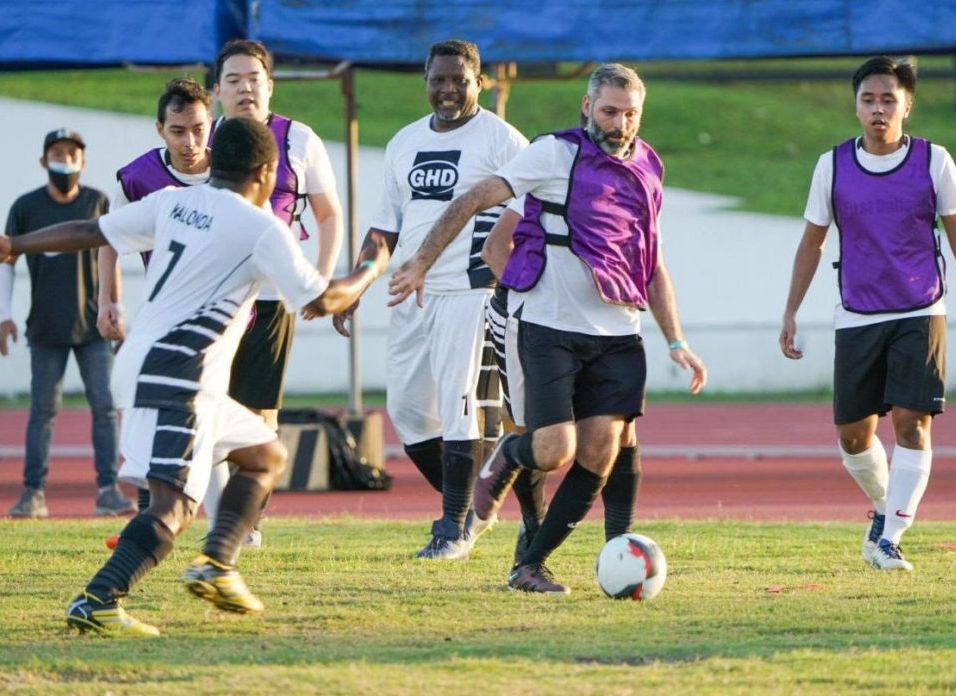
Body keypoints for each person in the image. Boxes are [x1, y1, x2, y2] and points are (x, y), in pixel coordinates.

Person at [0, 118, 372, 637]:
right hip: (180, 375)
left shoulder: (173, 200)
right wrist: (371, 267)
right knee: (173, 507)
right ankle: (99, 599)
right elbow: (322, 300)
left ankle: (218, 564)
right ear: (266, 172)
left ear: (215, 161)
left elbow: (91, 231)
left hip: (159, 367)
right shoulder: (262, 226)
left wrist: (15, 244)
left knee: (265, 455)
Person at [390, 63, 707, 593]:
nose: (620, 123)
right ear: (587, 107)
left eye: (630, 114)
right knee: (554, 449)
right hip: (546, 327)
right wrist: (422, 261)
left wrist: (676, 340)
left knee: (604, 448)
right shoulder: (552, 154)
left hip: (618, 332)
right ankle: (506, 459)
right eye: (609, 111)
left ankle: (531, 565)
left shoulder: (650, 166)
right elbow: (472, 201)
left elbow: (652, 261)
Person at [779, 57, 956, 572]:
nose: (878, 109)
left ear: (907, 105)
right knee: (853, 436)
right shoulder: (831, 165)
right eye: (868, 100)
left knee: (912, 422)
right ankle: (884, 508)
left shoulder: (934, 160)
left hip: (921, 309)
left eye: (888, 100)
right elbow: (811, 243)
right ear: (856, 106)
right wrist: (790, 310)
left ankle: (891, 537)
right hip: (857, 313)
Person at [332, 39, 528, 560]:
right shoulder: (403, 142)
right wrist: (356, 284)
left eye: (458, 81)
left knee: (459, 408)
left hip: (468, 292)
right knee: (410, 414)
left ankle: (452, 528)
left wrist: (507, 280)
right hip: (407, 294)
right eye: (438, 79)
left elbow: (530, 214)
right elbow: (384, 227)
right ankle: (474, 499)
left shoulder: (504, 141)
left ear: (478, 84)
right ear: (425, 79)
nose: (446, 90)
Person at [208, 39, 344, 547]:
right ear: (217, 90)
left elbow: (329, 215)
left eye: (254, 79)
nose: (245, 89)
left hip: (268, 298)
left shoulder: (299, 139)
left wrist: (322, 280)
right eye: (234, 80)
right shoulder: (204, 139)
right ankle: (214, 518)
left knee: (259, 413)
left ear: (271, 85)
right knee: (206, 402)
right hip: (214, 297)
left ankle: (248, 522)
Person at [481, 204, 644, 565]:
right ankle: (533, 525)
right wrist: (533, 303)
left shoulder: (634, 171)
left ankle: (620, 548)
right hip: (531, 318)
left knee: (617, 432)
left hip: (607, 323)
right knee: (540, 439)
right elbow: (494, 248)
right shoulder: (549, 160)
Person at [0, 128, 135, 519]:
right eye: (57, 154)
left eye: (72, 154)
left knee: (105, 406)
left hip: (92, 325)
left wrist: (117, 311)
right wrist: (3, 314)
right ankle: (33, 492)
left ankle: (108, 488)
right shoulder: (25, 207)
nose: (66, 161)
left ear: (84, 161)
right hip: (45, 326)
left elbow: (114, 255)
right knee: (43, 409)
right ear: (44, 161)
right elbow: (5, 260)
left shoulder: (98, 202)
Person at [96, 76, 213, 516]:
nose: (190, 141)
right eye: (178, 131)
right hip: (166, 315)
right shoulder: (138, 178)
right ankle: (152, 515)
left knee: (232, 425)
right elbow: (108, 238)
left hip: (231, 317)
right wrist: (109, 301)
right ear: (159, 129)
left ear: (211, 124)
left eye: (199, 129)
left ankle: (237, 525)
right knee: (150, 412)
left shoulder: (233, 170)